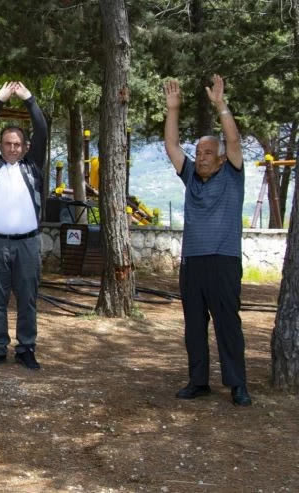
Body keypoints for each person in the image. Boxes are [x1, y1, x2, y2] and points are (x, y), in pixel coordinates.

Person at [164, 74, 251, 407]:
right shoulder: (190, 178)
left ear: (220, 158)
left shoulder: (232, 174)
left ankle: (237, 384)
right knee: (194, 326)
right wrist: (173, 110)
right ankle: (198, 381)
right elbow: (172, 146)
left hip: (224, 260)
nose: (200, 156)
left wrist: (220, 105)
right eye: (198, 151)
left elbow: (234, 142)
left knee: (228, 324)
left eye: (207, 152)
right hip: (193, 262)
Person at [0, 82, 48, 371]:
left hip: (27, 243)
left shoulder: (32, 165)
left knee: (27, 298)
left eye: (18, 144)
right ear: (0, 145)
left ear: (26, 147)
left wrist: (29, 99)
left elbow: (41, 128)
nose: (12, 148)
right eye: (7, 143)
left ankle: (26, 348)